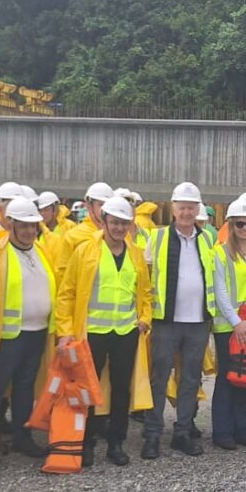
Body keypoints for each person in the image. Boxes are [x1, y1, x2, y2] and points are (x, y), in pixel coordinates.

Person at [57, 196, 152, 467]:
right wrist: (65, 330)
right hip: (93, 332)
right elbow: (67, 293)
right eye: (115, 222)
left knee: (121, 389)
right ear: (104, 221)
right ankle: (85, 443)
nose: (120, 228)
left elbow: (144, 291)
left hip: (125, 332)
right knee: (87, 389)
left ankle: (116, 442)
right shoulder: (85, 251)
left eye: (124, 223)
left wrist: (144, 318)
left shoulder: (135, 253)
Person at [0, 198, 57, 469]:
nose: (30, 231)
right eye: (24, 226)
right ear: (11, 225)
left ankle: (22, 435)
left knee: (24, 387)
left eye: (33, 226)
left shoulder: (41, 250)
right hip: (8, 336)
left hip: (36, 333)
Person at [141, 182, 215, 459]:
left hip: (197, 321)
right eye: (182, 207)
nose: (186, 212)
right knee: (159, 379)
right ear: (173, 208)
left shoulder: (207, 238)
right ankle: (152, 434)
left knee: (191, 379)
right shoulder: (157, 238)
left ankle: (182, 431)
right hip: (165, 321)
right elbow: (145, 280)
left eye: (191, 207)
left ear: (198, 209)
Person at [210, 199, 246, 450]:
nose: (244, 228)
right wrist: (236, 321)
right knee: (227, 377)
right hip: (229, 326)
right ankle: (223, 431)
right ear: (231, 226)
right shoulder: (220, 253)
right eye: (239, 224)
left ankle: (243, 427)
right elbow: (220, 291)